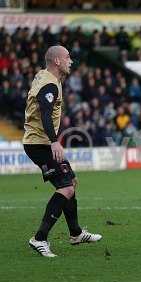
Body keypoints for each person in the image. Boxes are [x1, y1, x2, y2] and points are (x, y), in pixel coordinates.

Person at [23, 46, 102, 258]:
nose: (71, 61)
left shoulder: (46, 76)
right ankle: (39, 238)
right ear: (57, 61)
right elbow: (45, 113)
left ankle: (75, 233)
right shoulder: (49, 83)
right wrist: (54, 141)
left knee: (71, 182)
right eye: (67, 58)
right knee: (66, 188)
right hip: (40, 144)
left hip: (41, 142)